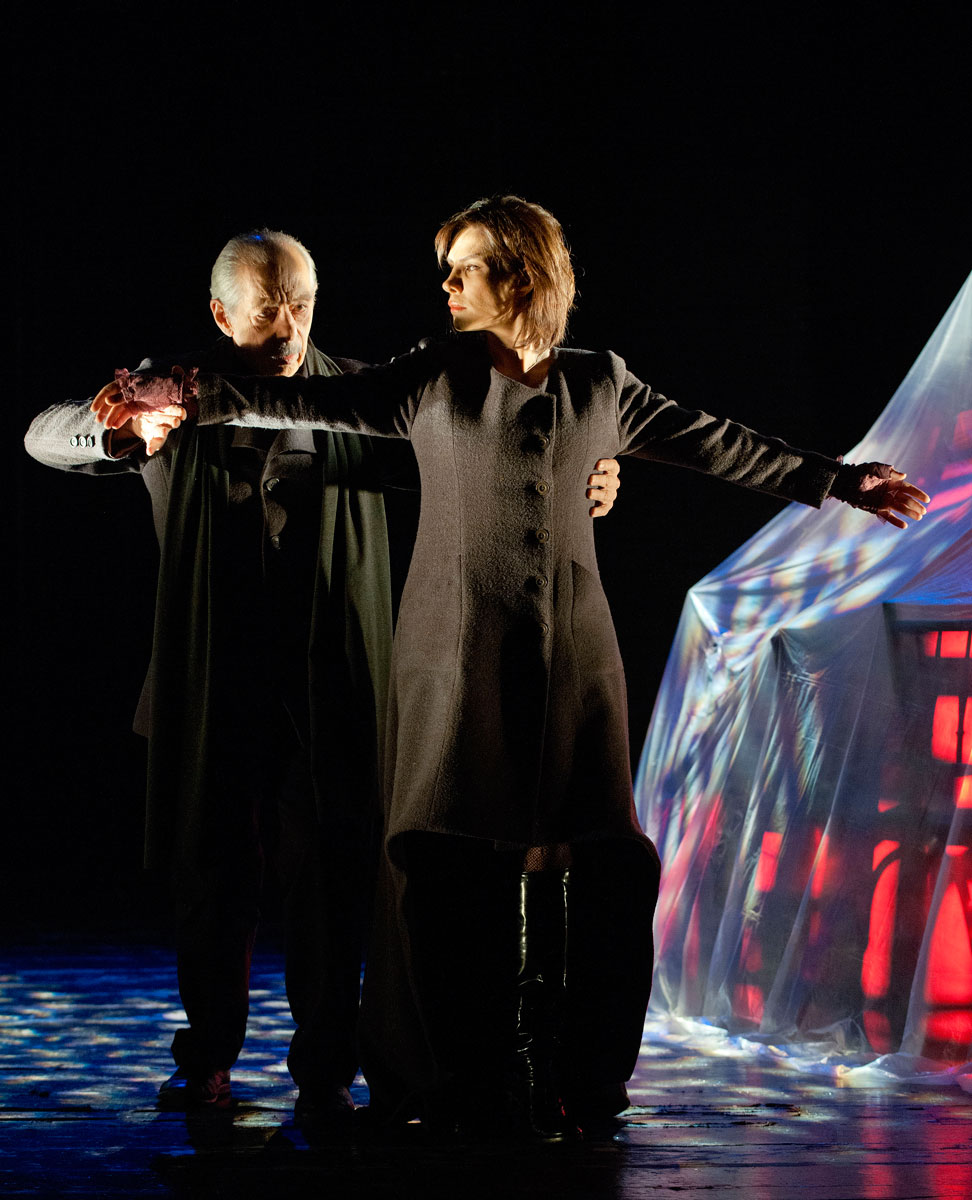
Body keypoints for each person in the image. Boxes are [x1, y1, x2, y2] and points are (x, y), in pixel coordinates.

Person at [92, 198, 928, 1140]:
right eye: (447, 267)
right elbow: (298, 401)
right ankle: (430, 1075)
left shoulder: (601, 382)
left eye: (468, 266)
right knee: (434, 861)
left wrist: (837, 479)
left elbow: (714, 439)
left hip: (575, 654)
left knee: (601, 864)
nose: (447, 283)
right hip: (450, 653)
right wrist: (183, 394)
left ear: (522, 277)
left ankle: (584, 1073)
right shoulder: (432, 376)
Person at [25, 227, 621, 1122]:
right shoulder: (174, 389)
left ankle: (327, 1069)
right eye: (268, 308)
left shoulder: (366, 392)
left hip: (333, 681)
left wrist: (584, 474)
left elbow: (490, 448)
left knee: (335, 884)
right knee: (212, 879)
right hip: (214, 679)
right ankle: (209, 1057)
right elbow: (44, 436)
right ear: (222, 314)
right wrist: (120, 430)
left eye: (301, 304)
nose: (289, 326)